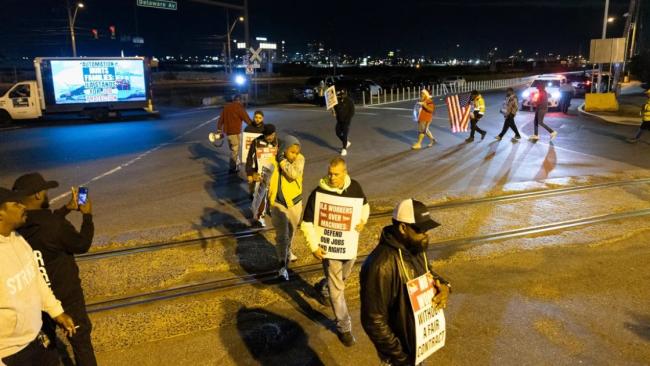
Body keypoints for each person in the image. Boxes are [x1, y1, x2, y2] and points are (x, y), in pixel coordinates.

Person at [12, 173, 96, 366]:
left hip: (37, 300)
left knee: (47, 347)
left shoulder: (16, 226)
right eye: (45, 190)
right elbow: (82, 244)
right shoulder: (56, 226)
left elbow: (43, 222)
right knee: (81, 343)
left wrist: (65, 209)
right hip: (67, 297)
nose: (47, 194)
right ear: (37, 195)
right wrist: (87, 215)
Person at [360, 198, 450, 365]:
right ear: (403, 228)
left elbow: (429, 274)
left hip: (416, 350)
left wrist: (445, 286)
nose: (426, 235)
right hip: (399, 357)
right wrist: (400, 357)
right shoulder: (380, 265)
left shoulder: (415, 248)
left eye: (427, 229)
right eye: (421, 230)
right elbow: (373, 320)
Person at [0, 187, 77, 366]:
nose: (23, 206)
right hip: (10, 354)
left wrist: (56, 311)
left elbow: (36, 279)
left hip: (37, 341)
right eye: (15, 204)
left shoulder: (17, 239)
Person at [300, 157, 370, 347]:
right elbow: (306, 223)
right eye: (330, 173)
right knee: (338, 289)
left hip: (349, 248)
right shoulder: (319, 193)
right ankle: (344, 327)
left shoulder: (354, 187)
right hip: (330, 250)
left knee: (341, 279)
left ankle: (323, 287)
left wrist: (363, 220)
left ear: (345, 173)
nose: (331, 177)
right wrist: (314, 246)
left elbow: (364, 206)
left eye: (336, 174)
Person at [268, 135, 304, 280]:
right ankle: (282, 264)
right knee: (282, 236)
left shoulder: (300, 159)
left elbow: (293, 174)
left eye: (296, 152)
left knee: (291, 232)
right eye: (292, 152)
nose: (295, 156)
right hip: (277, 203)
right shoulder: (272, 160)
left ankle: (287, 251)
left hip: (294, 203)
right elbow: (266, 178)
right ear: (284, 150)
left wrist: (282, 160)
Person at [246, 124, 278, 226]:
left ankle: (273, 211)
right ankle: (259, 218)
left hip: (275, 174)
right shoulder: (256, 142)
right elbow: (249, 159)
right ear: (263, 134)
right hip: (260, 174)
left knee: (274, 195)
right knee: (260, 195)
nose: (269, 137)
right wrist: (250, 173)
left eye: (271, 135)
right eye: (267, 135)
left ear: (274, 133)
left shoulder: (278, 143)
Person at [217, 94, 253, 173]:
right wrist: (255, 127)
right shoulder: (239, 107)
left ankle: (236, 161)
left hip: (229, 133)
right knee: (235, 150)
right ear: (239, 100)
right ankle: (232, 167)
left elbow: (220, 120)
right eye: (242, 101)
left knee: (234, 149)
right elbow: (246, 118)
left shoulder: (226, 107)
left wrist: (219, 129)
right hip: (236, 132)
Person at [332, 88, 355, 156]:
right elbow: (335, 111)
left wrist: (348, 119)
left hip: (346, 120)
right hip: (339, 120)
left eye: (342, 94)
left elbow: (352, 111)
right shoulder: (336, 101)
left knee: (345, 134)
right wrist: (333, 112)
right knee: (337, 132)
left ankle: (344, 148)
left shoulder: (349, 101)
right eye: (339, 94)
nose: (341, 96)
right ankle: (346, 142)